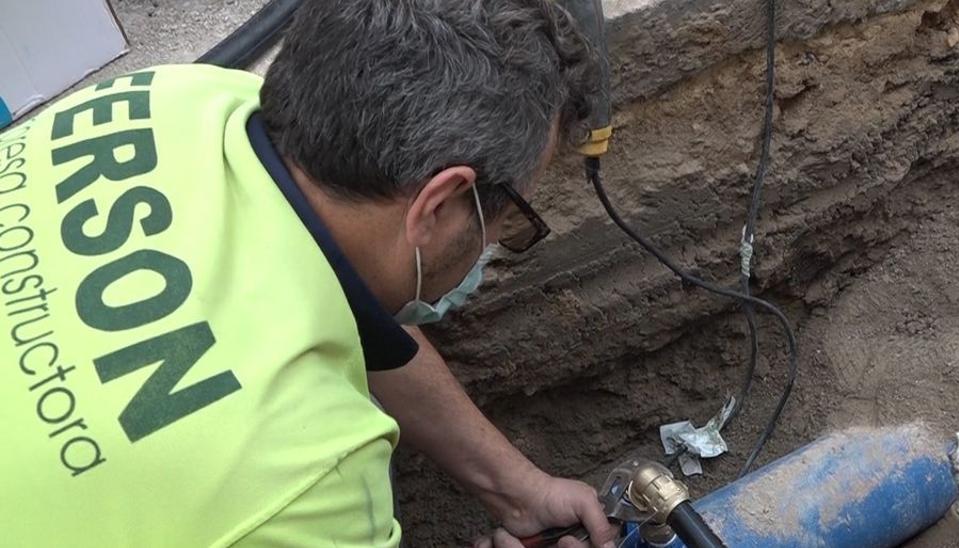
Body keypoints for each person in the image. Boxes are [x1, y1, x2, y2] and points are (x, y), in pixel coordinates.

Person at [0, 0, 617, 546]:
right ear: (437, 205)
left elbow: (351, 315)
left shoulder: (171, 99)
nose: (497, 239)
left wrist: (516, 489)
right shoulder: (305, 483)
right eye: (508, 214)